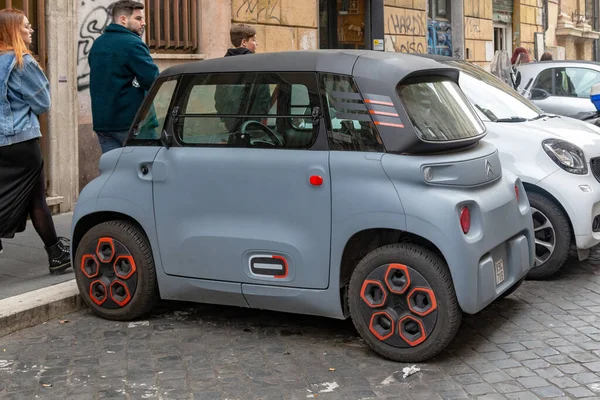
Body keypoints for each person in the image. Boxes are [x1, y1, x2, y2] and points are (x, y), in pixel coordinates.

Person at [0, 8, 71, 274]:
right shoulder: (21, 61)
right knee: (37, 199)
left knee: (19, 198)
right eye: (26, 26)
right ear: (13, 30)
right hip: (21, 142)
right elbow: (43, 103)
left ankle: (56, 252)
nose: (31, 30)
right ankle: (56, 254)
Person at [89, 0, 159, 153]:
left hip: (103, 124)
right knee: (143, 170)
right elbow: (153, 80)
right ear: (123, 19)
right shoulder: (133, 44)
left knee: (113, 171)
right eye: (138, 19)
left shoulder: (98, 44)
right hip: (132, 123)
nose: (144, 23)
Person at [214, 24, 271, 136]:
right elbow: (264, 98)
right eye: (254, 40)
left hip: (231, 127)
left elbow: (219, 98)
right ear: (244, 42)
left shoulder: (223, 65)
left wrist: (226, 120)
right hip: (254, 127)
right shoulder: (258, 65)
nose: (257, 43)